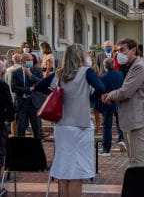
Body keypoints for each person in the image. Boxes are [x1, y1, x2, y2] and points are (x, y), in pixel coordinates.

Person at [34, 43, 105, 197]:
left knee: (63, 169)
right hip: (80, 125)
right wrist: (90, 98)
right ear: (81, 56)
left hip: (61, 126)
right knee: (77, 172)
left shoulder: (59, 74)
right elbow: (101, 87)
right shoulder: (87, 72)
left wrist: (54, 94)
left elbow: (38, 86)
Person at [102, 38, 144, 167]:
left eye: (122, 50)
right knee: (133, 161)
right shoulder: (129, 67)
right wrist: (111, 96)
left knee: (137, 162)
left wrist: (109, 96)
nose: (118, 54)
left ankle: (139, 187)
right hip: (131, 120)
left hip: (138, 121)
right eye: (117, 51)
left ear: (133, 50)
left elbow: (125, 91)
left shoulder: (138, 67)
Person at [11, 53, 44, 139]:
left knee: (36, 128)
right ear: (22, 61)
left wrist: (30, 75)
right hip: (22, 102)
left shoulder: (37, 70)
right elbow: (14, 88)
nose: (31, 61)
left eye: (31, 60)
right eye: (28, 60)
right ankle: (20, 149)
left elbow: (41, 83)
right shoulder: (16, 72)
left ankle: (37, 149)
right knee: (20, 128)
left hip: (34, 103)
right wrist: (29, 89)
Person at [98, 58, 125, 156]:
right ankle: (122, 139)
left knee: (107, 126)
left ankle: (106, 149)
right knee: (120, 122)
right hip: (119, 101)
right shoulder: (120, 75)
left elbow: (100, 90)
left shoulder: (102, 77)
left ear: (104, 66)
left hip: (107, 102)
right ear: (114, 65)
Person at [0, 61, 15, 170]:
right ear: (3, 72)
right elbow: (9, 105)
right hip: (0, 122)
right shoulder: (3, 85)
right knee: (1, 152)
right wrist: (9, 118)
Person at [4, 53, 22, 136]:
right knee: (19, 113)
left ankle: (10, 130)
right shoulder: (21, 69)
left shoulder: (8, 70)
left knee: (10, 111)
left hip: (9, 92)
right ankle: (17, 131)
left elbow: (5, 81)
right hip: (19, 93)